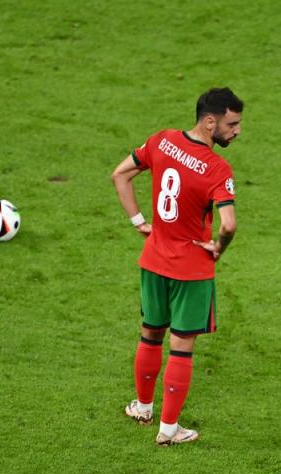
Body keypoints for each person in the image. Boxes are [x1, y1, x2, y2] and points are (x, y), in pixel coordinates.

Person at [111, 87, 244, 446]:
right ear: (210, 121)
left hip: (153, 259)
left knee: (150, 333)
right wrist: (218, 247)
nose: (237, 132)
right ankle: (169, 430)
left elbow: (119, 175)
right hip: (191, 269)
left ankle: (142, 407)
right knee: (182, 347)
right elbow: (228, 224)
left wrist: (139, 221)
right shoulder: (218, 168)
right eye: (232, 124)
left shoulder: (162, 140)